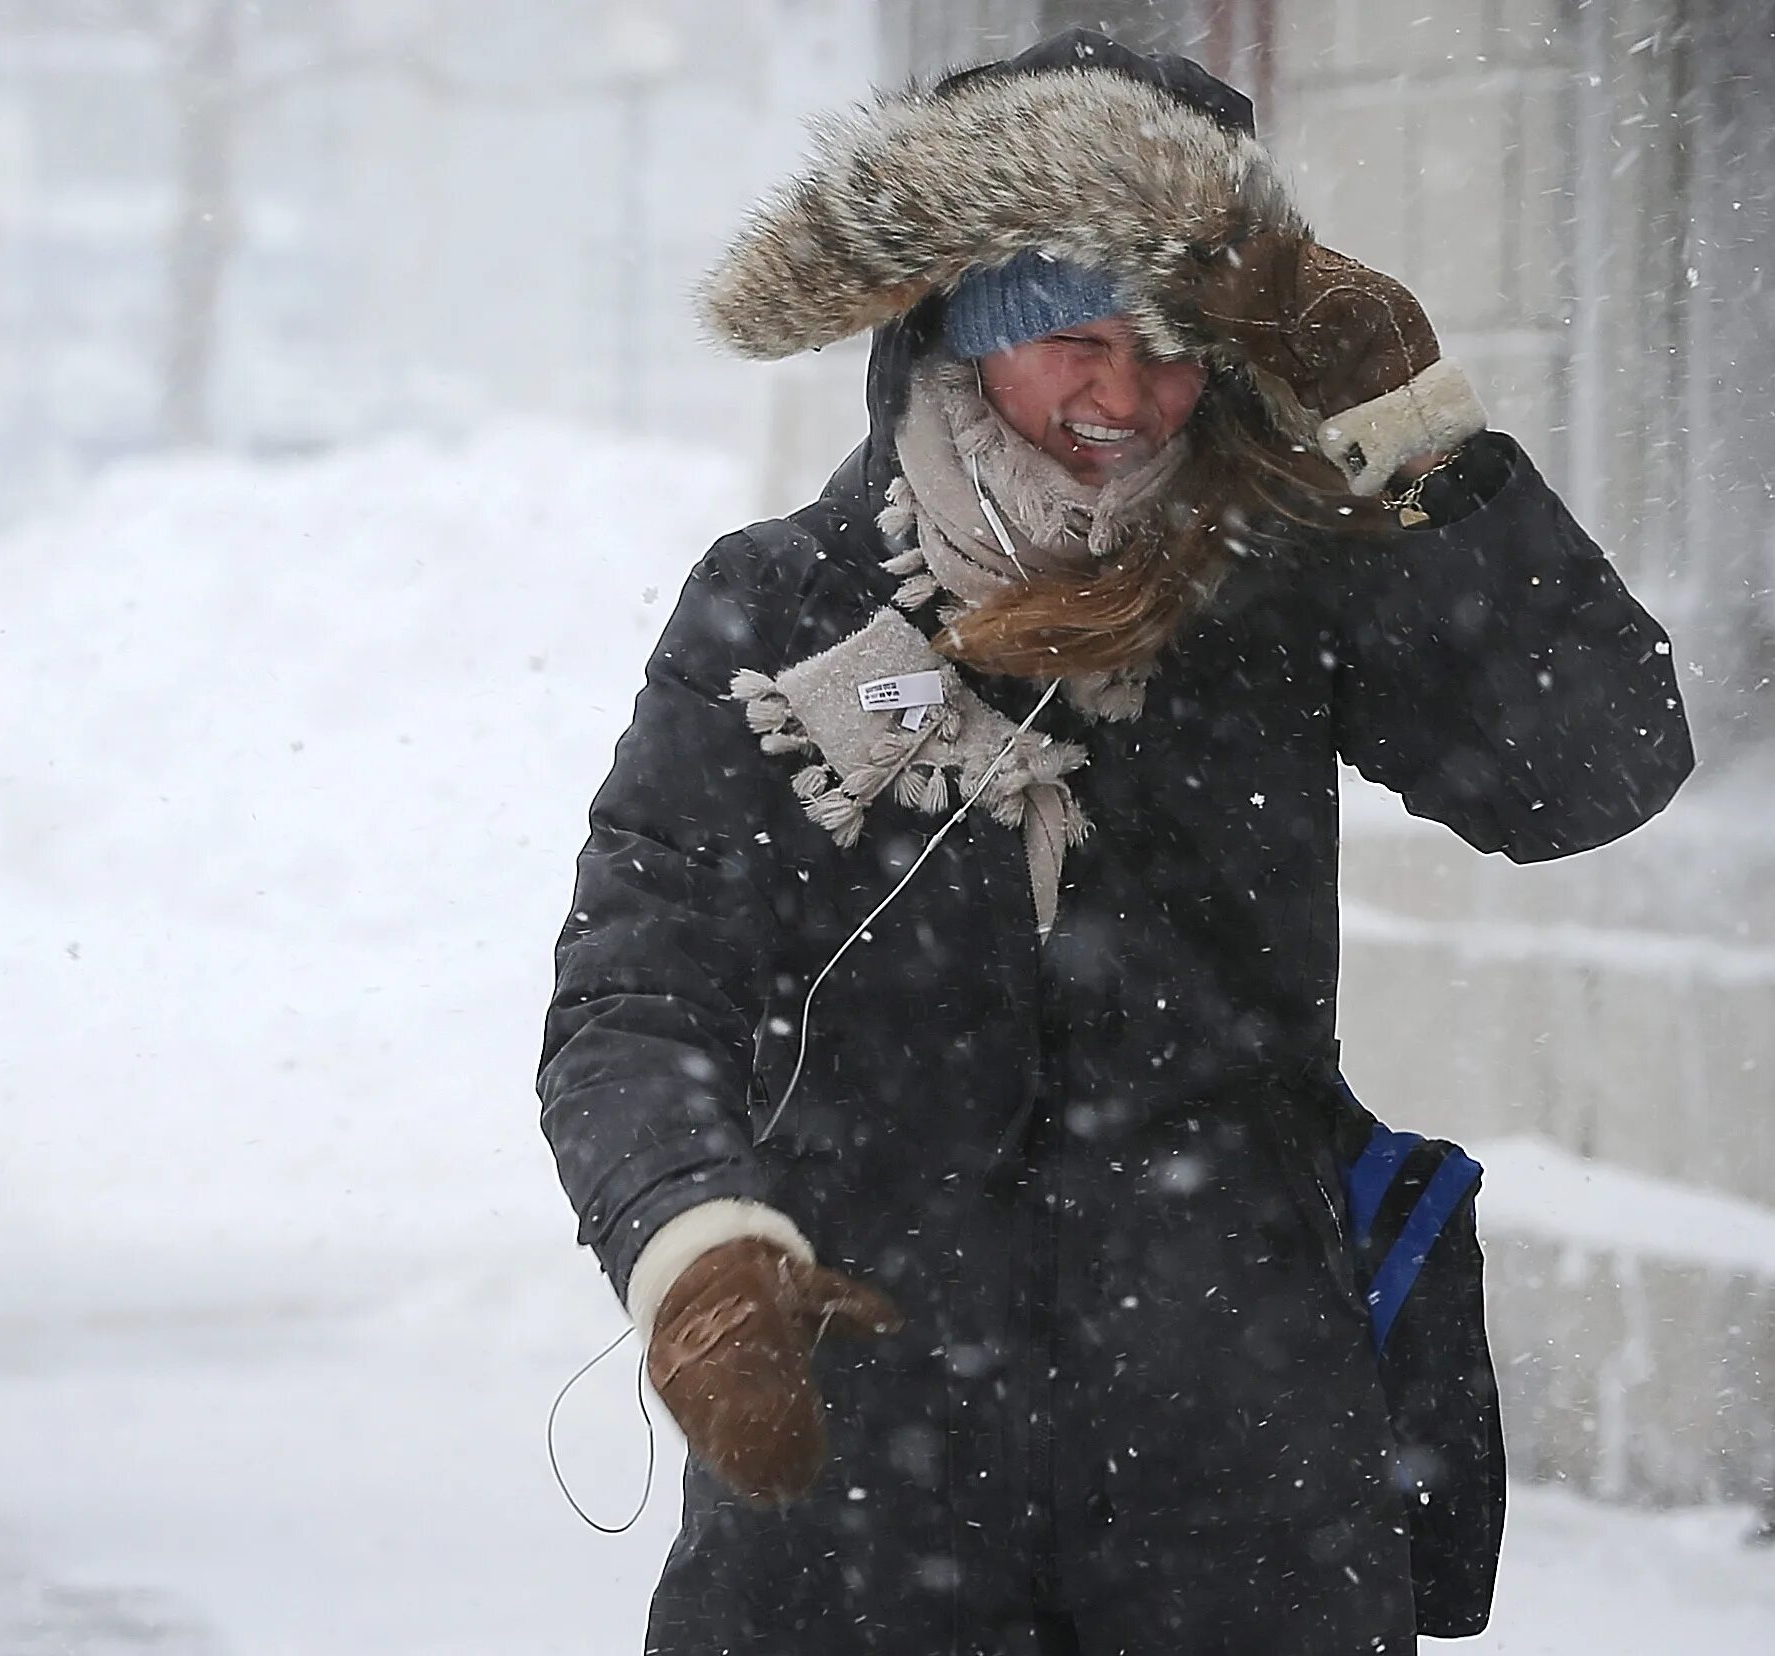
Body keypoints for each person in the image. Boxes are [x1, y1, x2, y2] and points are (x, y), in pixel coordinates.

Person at [537, 32, 1690, 1655]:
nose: (1124, 397)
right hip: (865, 1486)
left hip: (1235, 1490)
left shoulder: (1283, 584)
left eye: (1168, 348)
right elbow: (634, 995)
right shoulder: (780, 601)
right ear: (956, 323)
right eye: (1071, 337)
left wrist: (1415, 432)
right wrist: (695, 1246)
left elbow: (1592, 768)